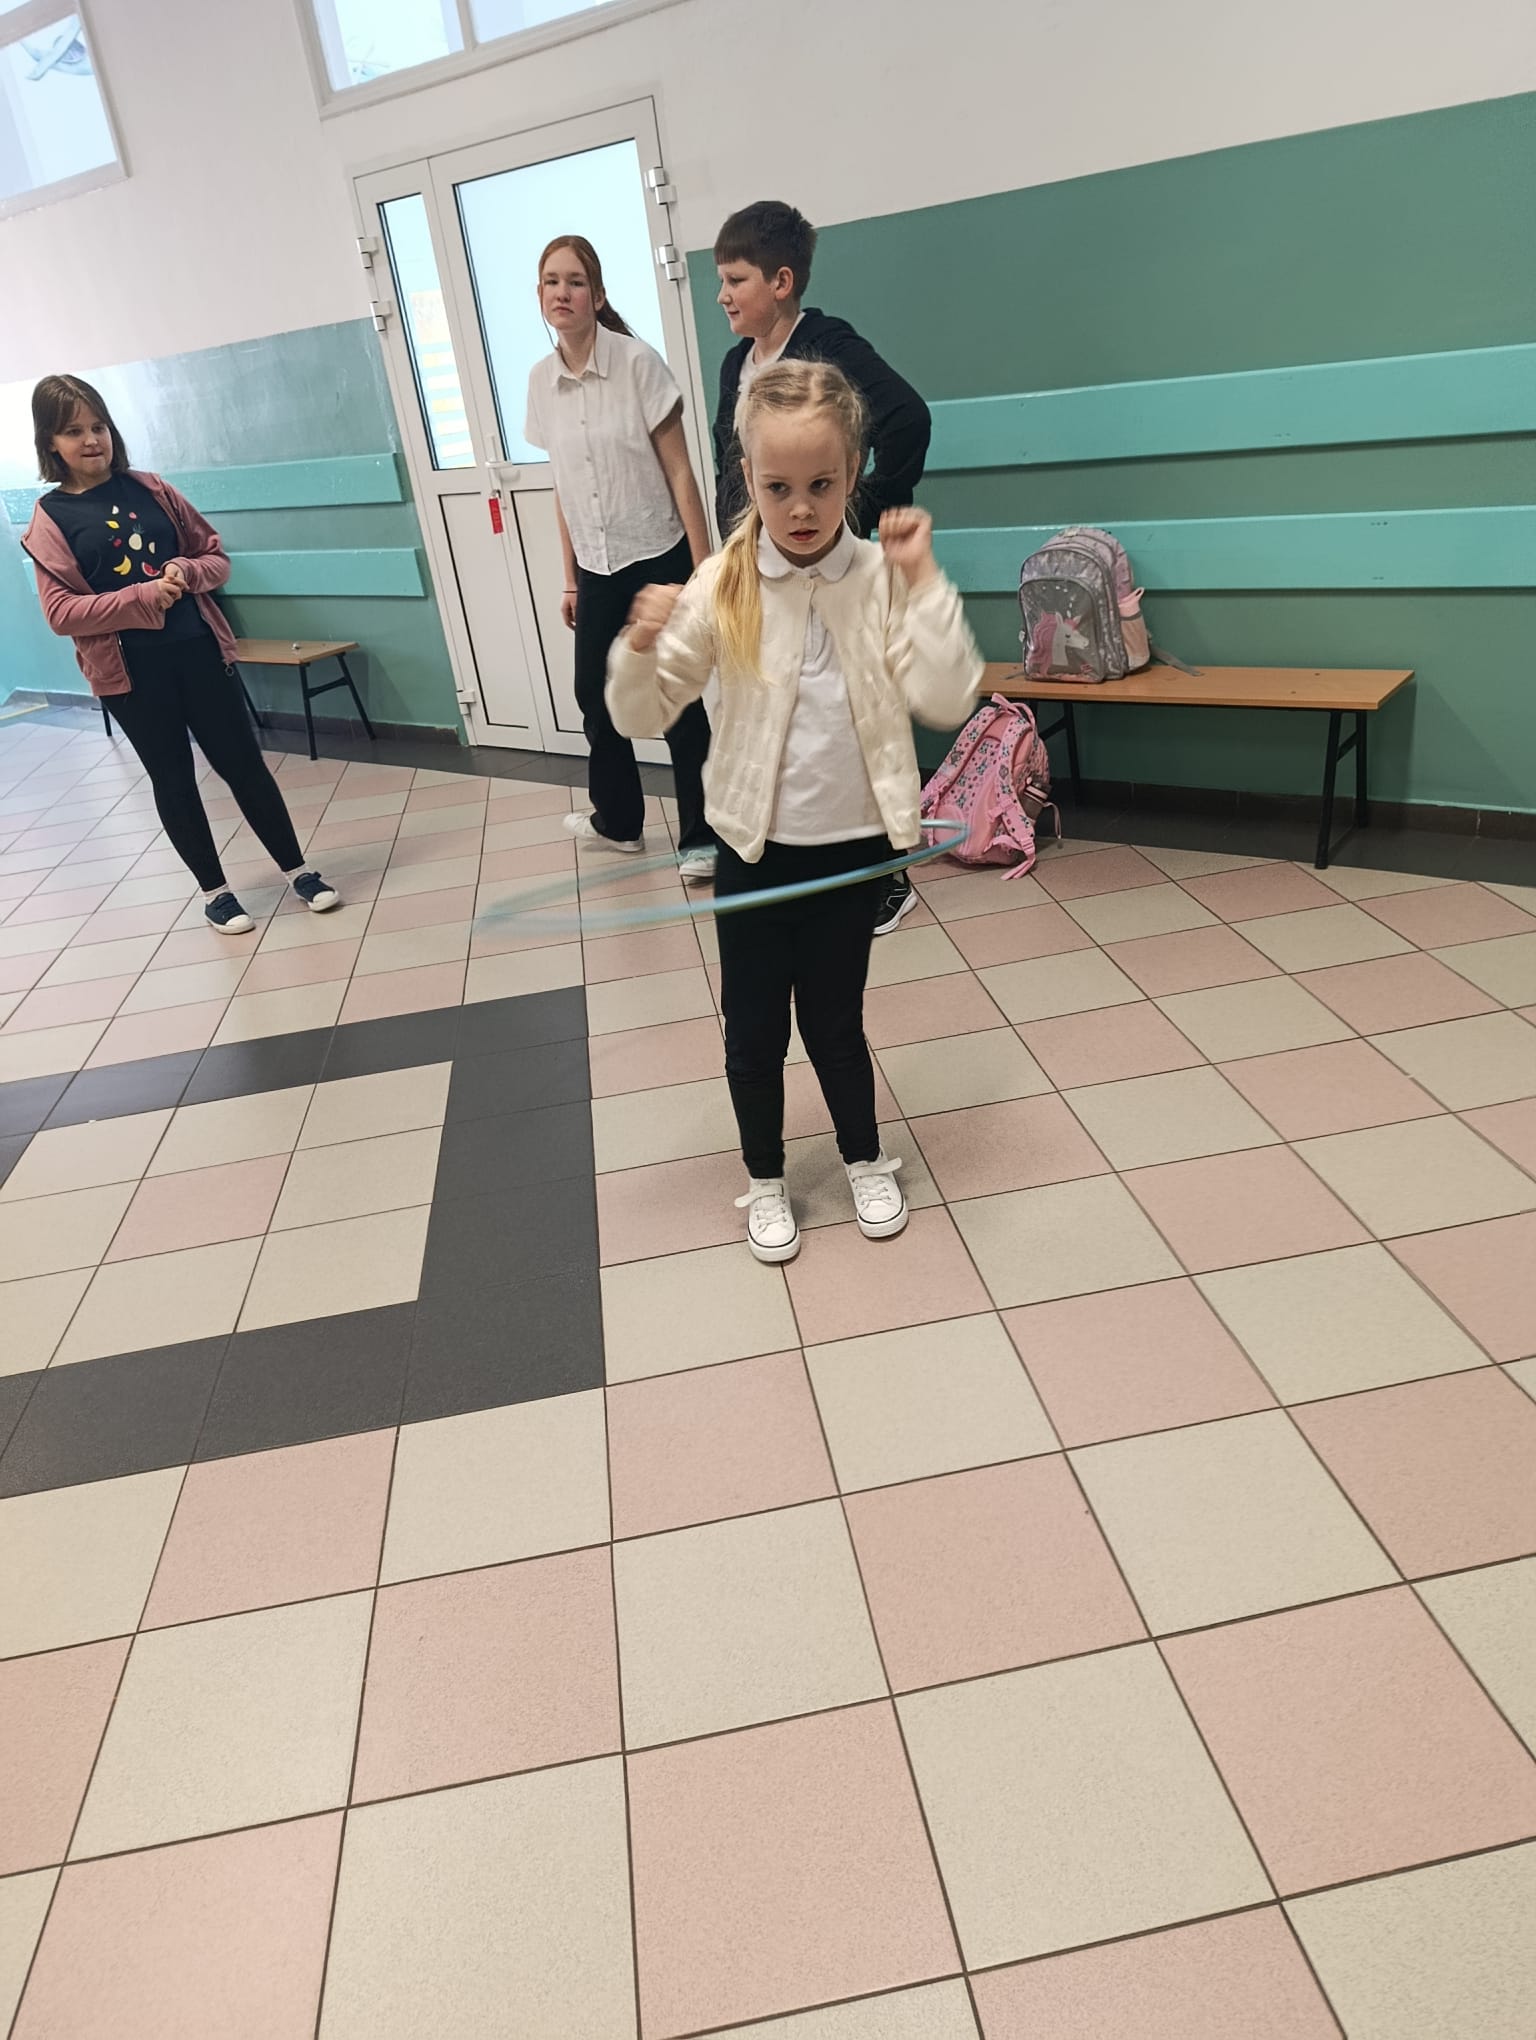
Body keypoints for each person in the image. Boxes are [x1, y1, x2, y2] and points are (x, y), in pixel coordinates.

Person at [608, 360, 980, 1264]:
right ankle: (766, 1178)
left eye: (822, 484)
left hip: (848, 854)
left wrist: (927, 583)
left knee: (836, 1023)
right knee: (753, 1032)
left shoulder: (883, 578)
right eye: (778, 488)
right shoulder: (722, 583)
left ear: (854, 474)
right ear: (749, 479)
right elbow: (641, 714)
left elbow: (947, 696)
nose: (802, 507)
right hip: (755, 853)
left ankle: (863, 1157)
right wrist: (639, 643)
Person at [23, 375, 340, 935]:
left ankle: (299, 872)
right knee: (173, 778)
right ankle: (216, 894)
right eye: (73, 431)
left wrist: (187, 571)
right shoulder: (50, 518)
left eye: (98, 426)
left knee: (243, 764)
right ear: (50, 441)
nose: (91, 440)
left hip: (198, 651)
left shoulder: (152, 489)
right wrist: (141, 597)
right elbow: (61, 613)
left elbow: (215, 558)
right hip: (130, 675)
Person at [711, 200, 935, 936]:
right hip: (764, 572)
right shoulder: (737, 365)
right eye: (721, 281)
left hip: (829, 575)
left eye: (736, 280)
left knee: (851, 713)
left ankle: (886, 874)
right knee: (785, 714)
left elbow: (907, 417)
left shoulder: (825, 343)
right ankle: (792, 852)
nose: (723, 296)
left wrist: (861, 511)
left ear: (781, 281)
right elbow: (733, 465)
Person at [525, 235, 716, 882]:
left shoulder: (637, 363)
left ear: (598, 295)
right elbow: (563, 486)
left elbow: (682, 473)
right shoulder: (541, 382)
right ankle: (619, 822)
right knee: (593, 692)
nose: (562, 292)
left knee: (677, 698)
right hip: (597, 565)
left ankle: (702, 838)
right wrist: (570, 580)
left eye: (575, 281)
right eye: (552, 281)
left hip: (658, 552)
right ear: (539, 294)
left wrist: (704, 571)